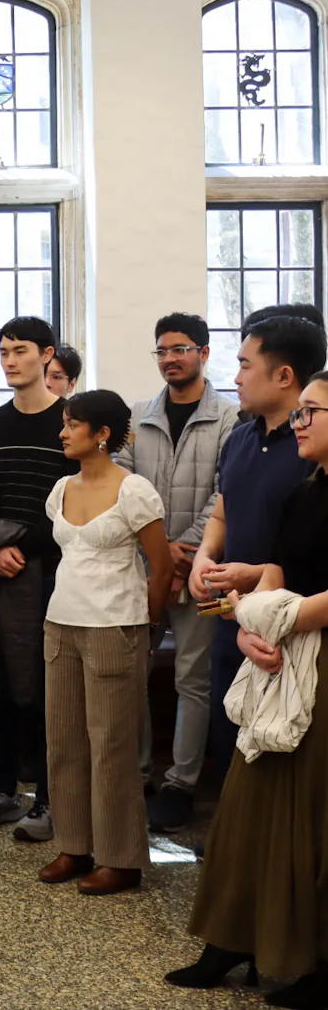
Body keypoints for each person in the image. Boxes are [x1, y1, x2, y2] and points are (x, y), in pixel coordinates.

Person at [167, 370, 328, 1004]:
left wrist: (285, 620)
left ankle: (309, 956)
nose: (301, 423)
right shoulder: (305, 492)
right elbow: (277, 573)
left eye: (312, 411)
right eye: (301, 413)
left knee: (310, 810)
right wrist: (249, 632)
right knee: (246, 802)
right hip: (279, 653)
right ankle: (231, 940)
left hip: (318, 656)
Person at [38, 390, 173, 896]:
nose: (63, 432)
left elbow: (161, 569)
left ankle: (120, 857)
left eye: (72, 424)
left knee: (112, 746)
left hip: (116, 626)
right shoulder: (60, 488)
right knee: (64, 741)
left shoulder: (133, 490)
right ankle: (74, 844)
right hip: (61, 623)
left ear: (101, 435)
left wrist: (148, 626)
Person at [114, 313, 238, 833]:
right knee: (131, 675)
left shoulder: (230, 418)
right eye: (162, 350)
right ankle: (137, 772)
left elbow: (226, 491)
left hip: (203, 573)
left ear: (204, 353)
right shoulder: (139, 415)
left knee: (195, 679)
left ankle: (181, 784)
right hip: (142, 569)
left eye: (181, 349)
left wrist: (183, 551)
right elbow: (119, 473)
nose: (170, 358)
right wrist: (158, 550)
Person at [0, 317, 79, 842]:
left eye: (20, 350)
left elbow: (81, 507)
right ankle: (2, 790)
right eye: (3, 350)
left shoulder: (70, 423)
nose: (9, 360)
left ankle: (52, 800)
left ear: (47, 355)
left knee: (50, 693)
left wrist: (22, 548)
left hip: (57, 573)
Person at [189, 314, 326, 771]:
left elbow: (302, 548)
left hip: (294, 623)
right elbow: (225, 509)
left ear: (284, 375)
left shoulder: (311, 448)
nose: (236, 377)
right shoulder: (241, 438)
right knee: (231, 734)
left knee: (285, 754)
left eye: (246, 365)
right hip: (235, 618)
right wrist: (204, 558)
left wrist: (254, 577)